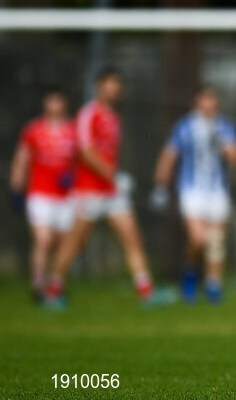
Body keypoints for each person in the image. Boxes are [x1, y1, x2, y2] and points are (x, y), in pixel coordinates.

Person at [44, 67, 163, 308]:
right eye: (109, 84)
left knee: (132, 237)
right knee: (76, 241)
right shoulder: (89, 114)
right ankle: (53, 289)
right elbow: (86, 151)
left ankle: (146, 291)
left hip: (111, 190)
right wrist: (112, 174)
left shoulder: (114, 118)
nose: (114, 89)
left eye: (117, 84)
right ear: (100, 86)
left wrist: (114, 178)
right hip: (89, 189)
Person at [152, 86, 236, 304]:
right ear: (197, 102)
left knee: (216, 241)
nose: (209, 104)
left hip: (217, 189)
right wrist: (160, 185)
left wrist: (222, 144)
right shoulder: (184, 127)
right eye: (205, 99)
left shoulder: (224, 127)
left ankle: (213, 284)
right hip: (191, 189)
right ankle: (189, 273)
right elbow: (169, 156)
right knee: (198, 238)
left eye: (213, 99)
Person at [8, 87, 77, 301]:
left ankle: (56, 285)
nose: (55, 104)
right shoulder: (33, 130)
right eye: (51, 100)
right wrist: (16, 187)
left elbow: (81, 161)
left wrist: (73, 177)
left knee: (62, 242)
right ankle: (37, 285)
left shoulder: (73, 129)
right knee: (43, 240)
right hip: (40, 193)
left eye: (59, 100)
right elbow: (22, 158)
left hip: (66, 196)